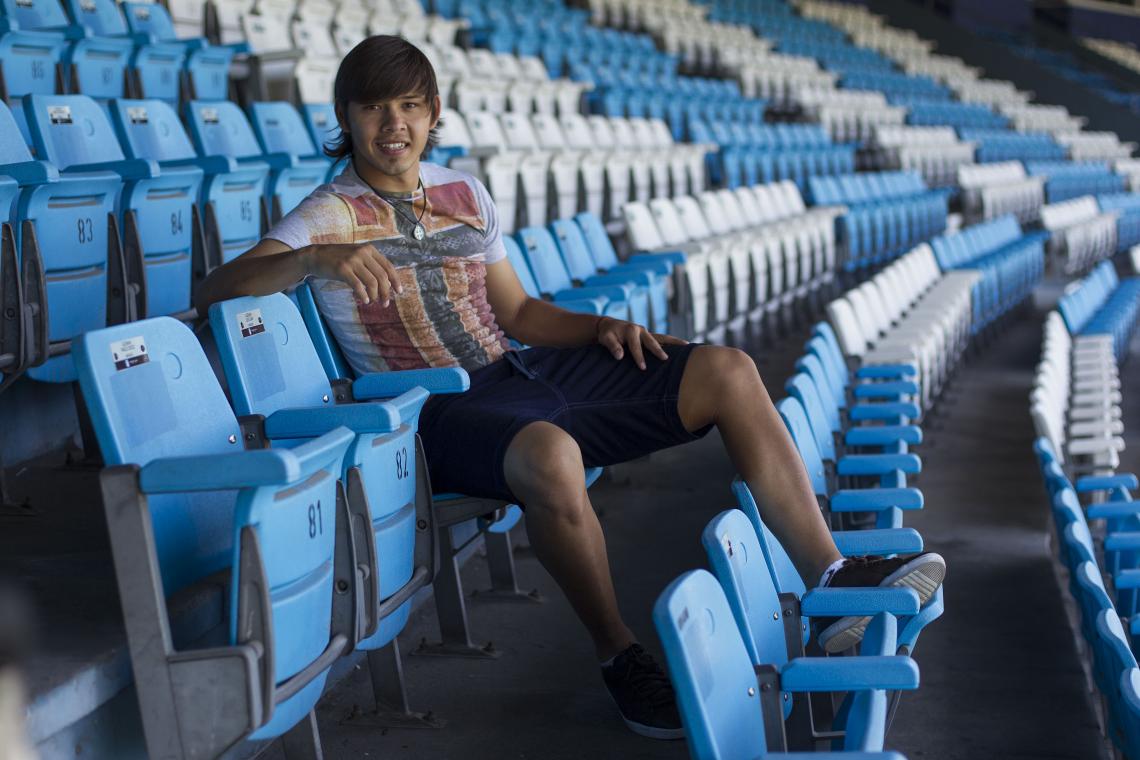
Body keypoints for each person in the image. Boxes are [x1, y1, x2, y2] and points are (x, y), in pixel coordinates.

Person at [195, 35, 946, 740]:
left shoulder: (465, 195)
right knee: (552, 455)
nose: (394, 123)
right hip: (436, 409)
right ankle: (620, 654)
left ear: (432, 115)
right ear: (347, 118)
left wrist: (596, 330)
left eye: (410, 105)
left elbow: (517, 312)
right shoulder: (327, 213)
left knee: (726, 370)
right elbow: (220, 288)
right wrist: (314, 262)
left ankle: (831, 577)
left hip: (522, 372)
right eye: (374, 107)